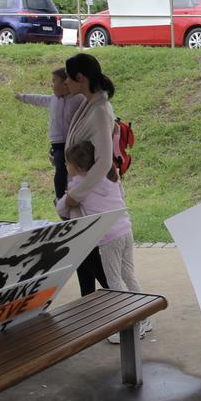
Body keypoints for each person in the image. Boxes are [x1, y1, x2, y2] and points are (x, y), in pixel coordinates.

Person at [56, 142, 151, 343]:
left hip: (108, 238)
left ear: (79, 168)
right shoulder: (111, 176)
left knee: (114, 281)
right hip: (126, 230)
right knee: (128, 274)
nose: (66, 167)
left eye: (67, 163)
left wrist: (60, 200)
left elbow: (63, 209)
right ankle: (144, 317)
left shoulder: (79, 185)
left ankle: (124, 326)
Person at [63, 53, 116, 297]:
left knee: (95, 259)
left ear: (80, 77)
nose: (65, 84)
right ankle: (91, 303)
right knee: (83, 255)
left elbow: (104, 161)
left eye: (68, 78)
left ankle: (129, 312)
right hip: (80, 190)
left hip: (89, 197)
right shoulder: (89, 103)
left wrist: (77, 195)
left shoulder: (100, 109)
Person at [15, 68, 85, 200]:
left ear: (66, 83)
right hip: (58, 144)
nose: (51, 84)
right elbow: (38, 99)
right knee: (60, 169)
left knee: (75, 171)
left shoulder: (78, 99)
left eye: (54, 81)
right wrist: (22, 97)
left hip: (74, 143)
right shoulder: (53, 99)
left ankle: (75, 195)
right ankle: (60, 198)